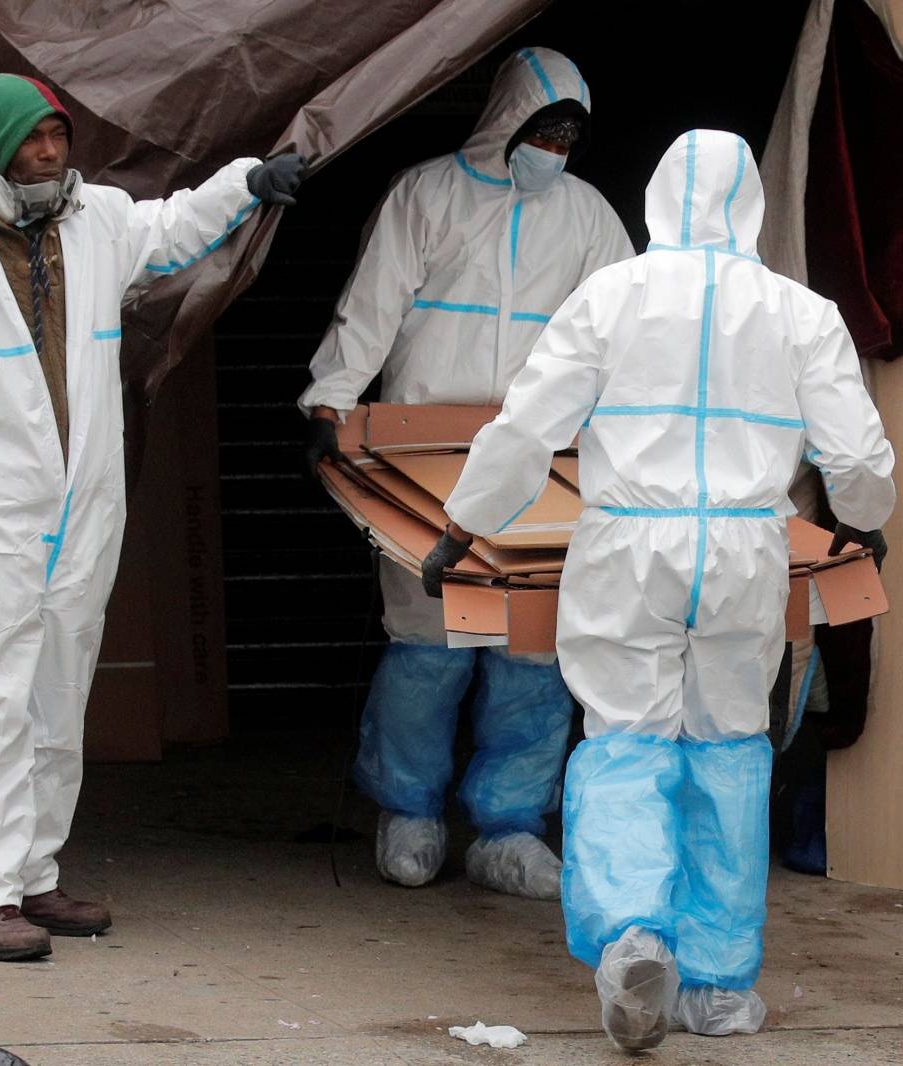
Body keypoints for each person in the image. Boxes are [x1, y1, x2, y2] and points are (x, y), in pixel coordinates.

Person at [432, 129, 895, 1049]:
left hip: (628, 547)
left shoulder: (611, 295)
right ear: (752, 202)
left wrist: (464, 522)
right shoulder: (802, 311)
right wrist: (864, 513)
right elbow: (856, 455)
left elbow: (528, 428)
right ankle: (719, 988)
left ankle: (632, 932)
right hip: (742, 548)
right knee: (727, 748)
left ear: (655, 197)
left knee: (624, 742)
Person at [0, 73, 306, 962]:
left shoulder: (95, 221)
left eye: (57, 137)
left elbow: (173, 225)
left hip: (79, 511)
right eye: (31, 139)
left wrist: (247, 183)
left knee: (58, 697)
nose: (47, 153)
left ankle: (32, 874)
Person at [298, 47, 632, 896]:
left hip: (544, 457)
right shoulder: (427, 194)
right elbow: (373, 301)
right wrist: (334, 395)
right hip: (422, 449)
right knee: (425, 637)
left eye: (570, 134)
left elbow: (626, 330)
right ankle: (408, 810)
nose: (554, 145)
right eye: (543, 126)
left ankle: (509, 827)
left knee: (533, 648)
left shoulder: (588, 216)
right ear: (507, 121)